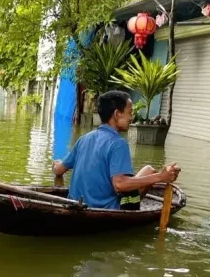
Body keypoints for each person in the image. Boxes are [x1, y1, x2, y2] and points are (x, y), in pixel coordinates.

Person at [51, 90, 181, 210]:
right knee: (151, 172)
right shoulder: (118, 143)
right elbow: (119, 184)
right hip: (105, 208)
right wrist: (161, 177)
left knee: (149, 170)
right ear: (117, 114)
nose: (131, 118)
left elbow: (58, 170)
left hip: (76, 203)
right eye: (129, 113)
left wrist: (56, 165)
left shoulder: (84, 139)